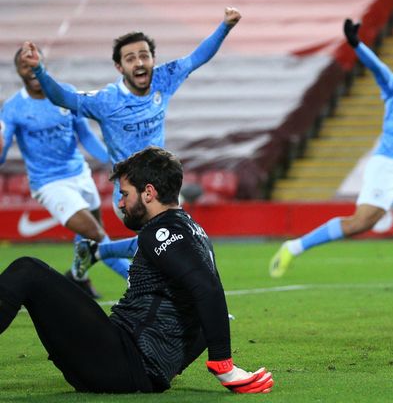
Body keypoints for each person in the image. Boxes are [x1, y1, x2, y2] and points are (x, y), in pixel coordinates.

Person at [0, 146, 274, 393]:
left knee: (27, 270)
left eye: (124, 194)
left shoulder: (161, 232)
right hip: (137, 370)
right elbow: (204, 302)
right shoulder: (191, 229)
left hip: (121, 361)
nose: (120, 203)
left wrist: (223, 363)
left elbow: (207, 289)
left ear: (149, 192)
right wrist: (169, 367)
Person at [21, 7, 242, 277]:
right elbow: (63, 99)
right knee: (176, 244)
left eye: (143, 55)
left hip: (161, 185)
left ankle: (98, 252)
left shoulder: (164, 78)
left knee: (168, 246)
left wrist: (225, 26)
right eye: (130, 58)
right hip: (131, 191)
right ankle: (191, 307)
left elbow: (198, 57)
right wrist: (40, 72)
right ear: (119, 66)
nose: (139, 63)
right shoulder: (107, 101)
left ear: (152, 59)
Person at [269, 18, 393, 289]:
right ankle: (294, 246)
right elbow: (377, 68)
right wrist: (356, 44)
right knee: (361, 223)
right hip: (387, 167)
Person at [0, 46, 134, 298]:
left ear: (43, 62)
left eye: (34, 62)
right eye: (24, 65)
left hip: (79, 173)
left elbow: (84, 134)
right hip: (49, 183)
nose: (30, 69)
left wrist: (111, 159)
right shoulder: (14, 108)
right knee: (95, 233)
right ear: (18, 70)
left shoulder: (65, 93)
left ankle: (77, 277)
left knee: (90, 235)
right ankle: (136, 278)